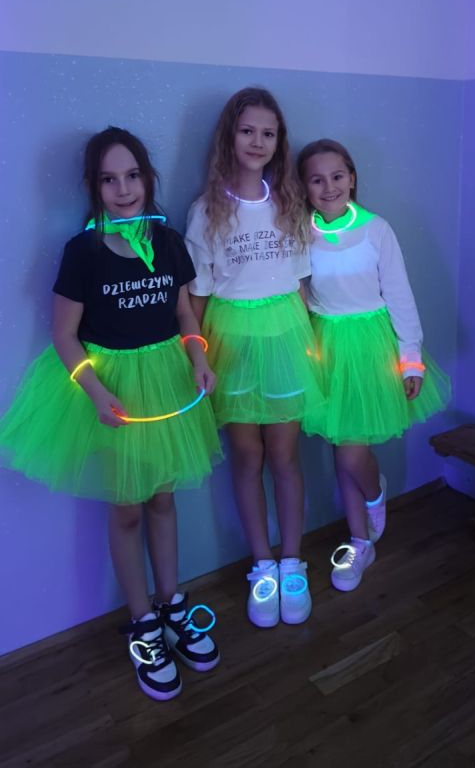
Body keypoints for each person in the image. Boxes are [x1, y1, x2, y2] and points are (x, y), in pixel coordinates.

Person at [0, 127, 223, 701]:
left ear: (148, 178)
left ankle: (172, 604)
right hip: (115, 389)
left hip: (167, 383)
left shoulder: (168, 241)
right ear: (93, 187)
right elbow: (64, 335)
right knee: (127, 508)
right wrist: (97, 393)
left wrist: (198, 357)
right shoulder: (82, 252)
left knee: (164, 499)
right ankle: (143, 622)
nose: (123, 189)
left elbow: (185, 316)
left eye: (132, 176)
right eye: (109, 179)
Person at [185, 88, 324, 629]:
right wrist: (196, 355)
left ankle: (292, 563)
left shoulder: (290, 202)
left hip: (285, 336)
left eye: (268, 133)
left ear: (278, 141)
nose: (257, 141)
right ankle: (262, 566)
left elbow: (304, 284)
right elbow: (197, 296)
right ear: (230, 136)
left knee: (285, 455)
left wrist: (319, 345)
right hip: (232, 341)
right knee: (247, 457)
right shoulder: (206, 211)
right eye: (248, 131)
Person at [297, 139, 450, 592]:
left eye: (337, 176)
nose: (328, 187)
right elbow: (299, 294)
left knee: (351, 452)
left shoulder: (376, 229)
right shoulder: (300, 232)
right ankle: (360, 542)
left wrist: (411, 359)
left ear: (352, 178)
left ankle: (375, 493)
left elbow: (399, 295)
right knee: (340, 449)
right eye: (317, 179)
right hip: (325, 348)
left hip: (371, 349)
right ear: (304, 187)